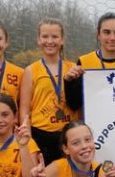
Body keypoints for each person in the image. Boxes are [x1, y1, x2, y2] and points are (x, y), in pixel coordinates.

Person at [19, 18, 79, 165]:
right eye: (45, 36)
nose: (49, 41)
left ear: (62, 40)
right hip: (41, 135)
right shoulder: (31, 71)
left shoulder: (73, 68)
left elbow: (80, 105)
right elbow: (25, 109)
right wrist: (29, 142)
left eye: (54, 37)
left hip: (69, 134)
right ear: (38, 40)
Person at [63, 12, 115, 113]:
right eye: (106, 32)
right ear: (98, 35)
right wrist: (69, 82)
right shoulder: (84, 62)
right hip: (94, 124)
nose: (112, 38)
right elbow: (74, 104)